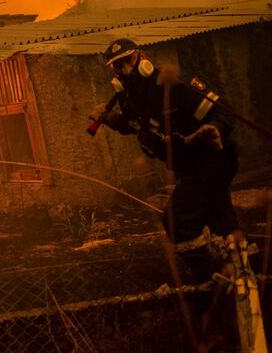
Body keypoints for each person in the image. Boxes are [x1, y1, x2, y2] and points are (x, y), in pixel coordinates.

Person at [93, 38, 243, 283]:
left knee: (177, 219)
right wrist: (110, 119)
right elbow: (134, 126)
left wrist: (213, 128)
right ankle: (239, 277)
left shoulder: (172, 84)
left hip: (212, 160)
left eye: (128, 60)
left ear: (141, 56)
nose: (125, 69)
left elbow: (222, 111)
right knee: (221, 221)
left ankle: (207, 280)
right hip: (188, 167)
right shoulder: (129, 97)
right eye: (117, 66)